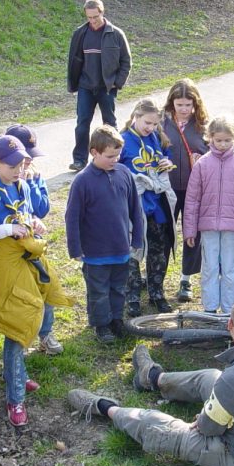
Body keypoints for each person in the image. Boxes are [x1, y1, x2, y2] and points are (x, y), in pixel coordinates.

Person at [67, 294, 234, 466]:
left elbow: (208, 429)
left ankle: (105, 407)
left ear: (229, 324)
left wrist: (205, 418)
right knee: (211, 376)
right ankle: (154, 377)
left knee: (160, 426)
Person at [0, 135, 71, 426]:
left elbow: (29, 217)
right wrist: (6, 229)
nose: (19, 169)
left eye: (22, 163)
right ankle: (15, 400)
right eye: (12, 165)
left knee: (37, 311)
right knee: (16, 326)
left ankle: (18, 374)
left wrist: (34, 224)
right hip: (3, 268)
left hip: (26, 261)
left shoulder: (22, 185)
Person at [66, 125, 144, 344]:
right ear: (94, 152)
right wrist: (75, 248)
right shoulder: (82, 181)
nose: (115, 160)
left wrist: (137, 238)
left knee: (118, 287)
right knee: (98, 291)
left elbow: (134, 209)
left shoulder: (124, 174)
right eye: (110, 156)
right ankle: (101, 324)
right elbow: (72, 218)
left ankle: (116, 319)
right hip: (95, 251)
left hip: (120, 248)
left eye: (118, 155)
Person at [183, 116, 234, 314]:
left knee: (230, 268)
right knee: (209, 268)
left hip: (232, 228)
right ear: (210, 139)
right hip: (208, 226)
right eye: (219, 140)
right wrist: (189, 230)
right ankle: (209, 308)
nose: (223, 144)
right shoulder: (202, 164)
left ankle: (227, 309)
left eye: (227, 140)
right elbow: (192, 199)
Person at [5, 123, 63, 356]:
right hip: (12, 250)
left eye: (31, 157)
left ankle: (45, 333)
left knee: (45, 285)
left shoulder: (33, 176)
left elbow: (42, 208)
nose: (28, 162)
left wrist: (33, 183)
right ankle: (20, 336)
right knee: (21, 295)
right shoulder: (2, 179)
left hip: (34, 245)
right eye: (25, 157)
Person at [120, 99, 176, 317]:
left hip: (157, 205)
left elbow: (165, 157)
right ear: (136, 116)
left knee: (158, 251)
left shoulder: (155, 138)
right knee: (133, 252)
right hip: (134, 206)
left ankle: (156, 293)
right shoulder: (123, 140)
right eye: (147, 122)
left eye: (154, 124)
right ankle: (132, 297)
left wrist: (166, 163)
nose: (150, 127)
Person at [67, 0, 132, 172]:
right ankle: (79, 160)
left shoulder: (116, 34)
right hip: (85, 87)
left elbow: (126, 61)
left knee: (110, 125)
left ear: (102, 13)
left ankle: (114, 157)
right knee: (82, 124)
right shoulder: (80, 34)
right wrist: (73, 84)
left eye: (95, 16)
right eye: (89, 17)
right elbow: (73, 61)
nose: (93, 21)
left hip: (106, 87)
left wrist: (117, 83)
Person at [161, 79, 210, 303]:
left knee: (192, 235)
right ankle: (156, 277)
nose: (183, 110)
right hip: (166, 189)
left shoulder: (204, 126)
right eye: (179, 104)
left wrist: (203, 160)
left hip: (193, 190)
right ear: (172, 103)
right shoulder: (160, 123)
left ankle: (185, 279)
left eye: (188, 105)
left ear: (195, 104)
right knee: (163, 233)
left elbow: (216, 152)